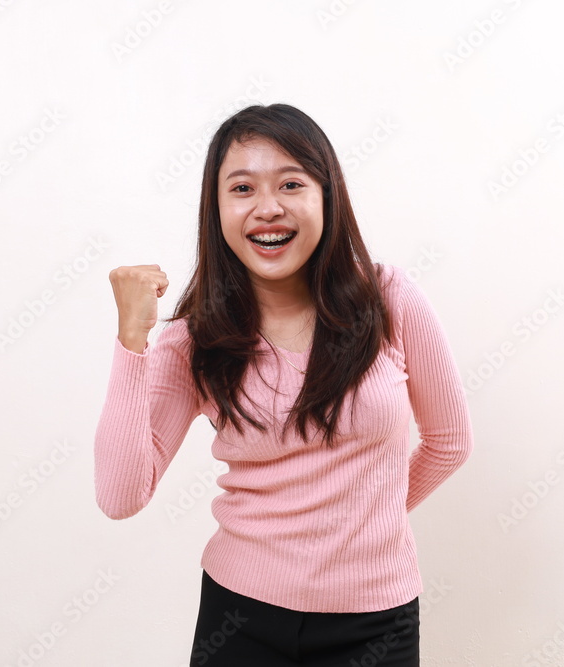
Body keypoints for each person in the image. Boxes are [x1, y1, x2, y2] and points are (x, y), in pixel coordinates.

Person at [95, 103, 473, 666]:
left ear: (327, 196)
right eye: (242, 188)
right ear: (217, 209)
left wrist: (357, 527)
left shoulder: (389, 300)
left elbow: (449, 444)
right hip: (240, 620)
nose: (267, 208)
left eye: (291, 183)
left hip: (376, 625)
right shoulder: (195, 340)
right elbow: (121, 496)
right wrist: (133, 342)